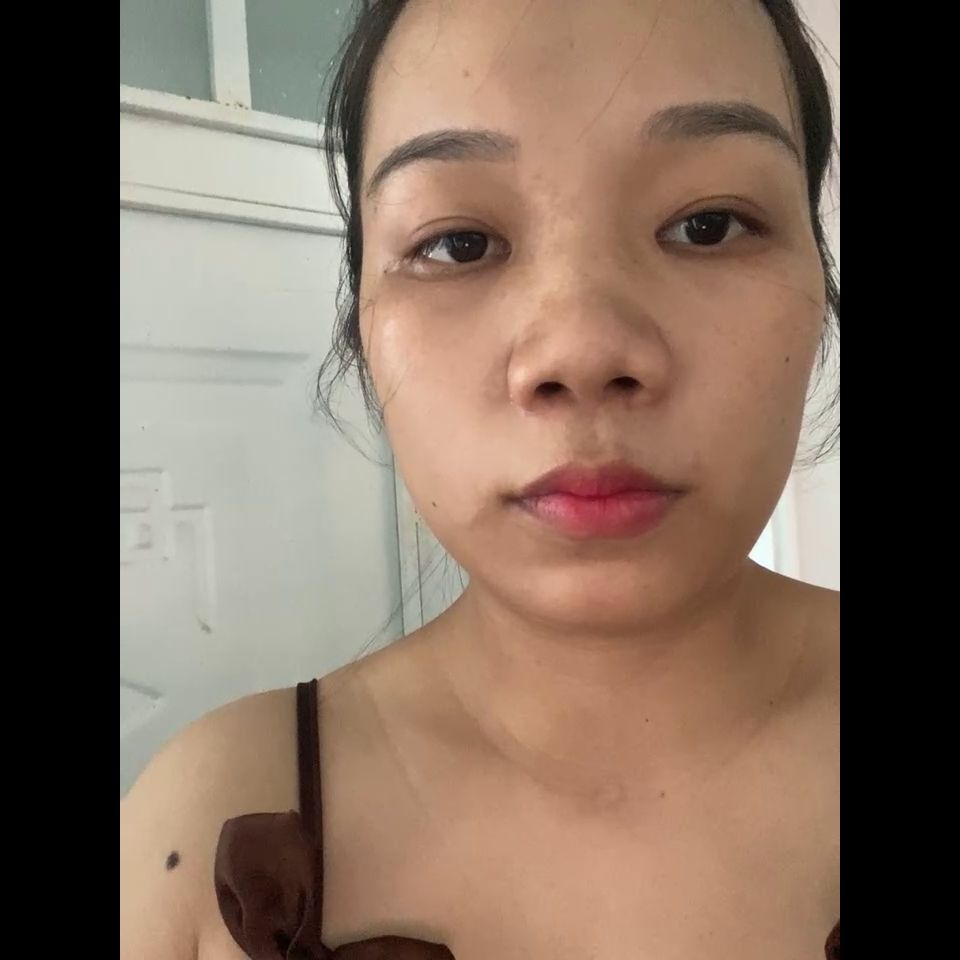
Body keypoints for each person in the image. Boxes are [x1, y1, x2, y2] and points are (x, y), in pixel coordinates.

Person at [120, 1, 840, 957]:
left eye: (709, 226)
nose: (581, 350)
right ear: (361, 329)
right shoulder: (200, 831)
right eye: (458, 244)